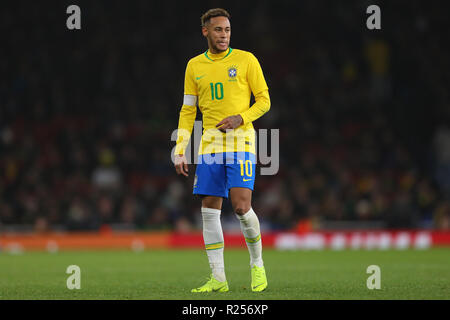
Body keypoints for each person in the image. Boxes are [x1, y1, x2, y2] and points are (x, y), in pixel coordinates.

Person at [174, 8, 270, 293]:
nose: (224, 35)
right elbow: (188, 110)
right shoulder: (194, 66)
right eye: (218, 30)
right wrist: (180, 148)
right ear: (206, 31)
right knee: (209, 210)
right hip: (209, 147)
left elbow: (264, 100)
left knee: (241, 207)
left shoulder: (246, 60)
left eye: (227, 30)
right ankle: (218, 278)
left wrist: (241, 118)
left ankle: (257, 265)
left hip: (241, 143)